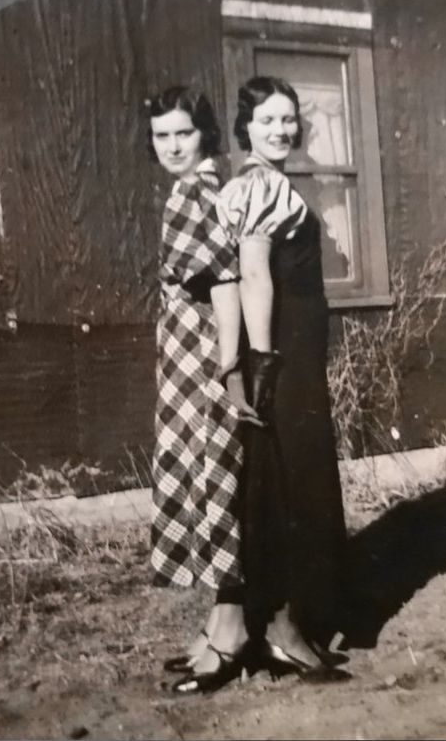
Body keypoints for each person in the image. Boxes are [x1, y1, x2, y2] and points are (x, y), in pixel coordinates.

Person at [216, 76, 349, 674]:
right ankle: (284, 627)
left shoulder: (271, 182)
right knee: (296, 479)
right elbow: (254, 277)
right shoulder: (261, 184)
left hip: (294, 352)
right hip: (283, 356)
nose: (281, 130)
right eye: (268, 120)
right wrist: (264, 363)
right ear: (245, 126)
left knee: (287, 478)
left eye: (289, 119)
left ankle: (276, 622)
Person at [147, 85, 261, 695]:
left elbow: (223, 285)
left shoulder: (200, 191)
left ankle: (233, 632)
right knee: (205, 479)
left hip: (206, 362)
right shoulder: (189, 189)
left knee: (216, 483)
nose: (171, 146)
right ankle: (220, 622)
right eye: (161, 135)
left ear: (205, 135)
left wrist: (228, 368)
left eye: (182, 134)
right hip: (188, 358)